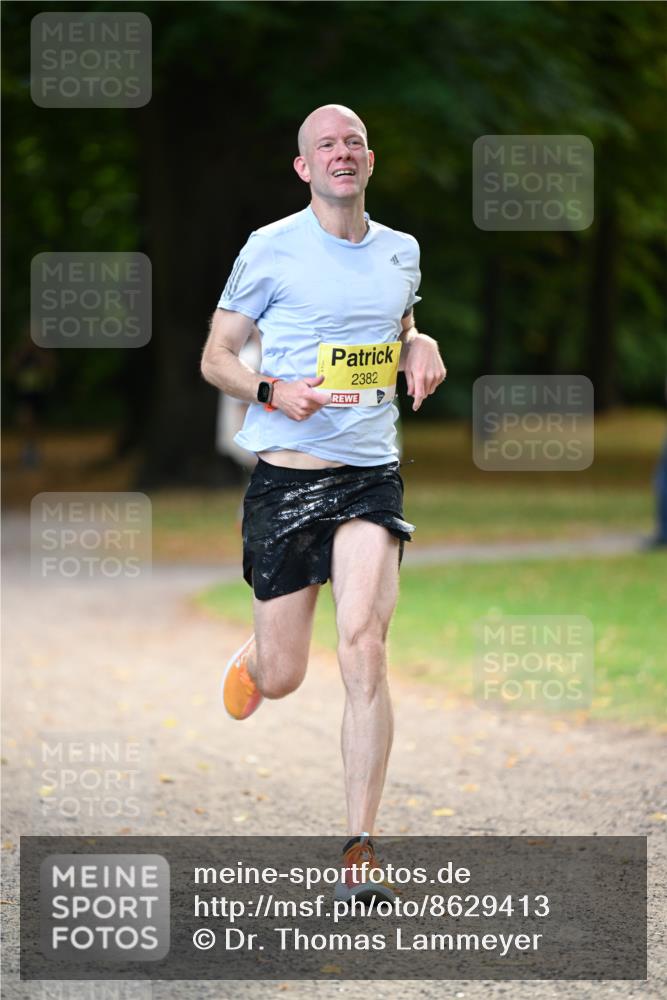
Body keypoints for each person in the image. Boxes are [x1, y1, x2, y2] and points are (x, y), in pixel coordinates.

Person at [201, 104, 446, 903]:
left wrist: (419, 341)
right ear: (304, 168)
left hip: (371, 476)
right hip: (286, 477)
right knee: (284, 675)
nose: (341, 154)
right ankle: (255, 659)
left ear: (368, 160)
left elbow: (397, 320)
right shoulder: (270, 248)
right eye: (324, 146)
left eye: (352, 142)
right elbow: (216, 356)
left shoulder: (400, 251)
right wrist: (275, 388)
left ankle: (358, 849)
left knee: (365, 648)